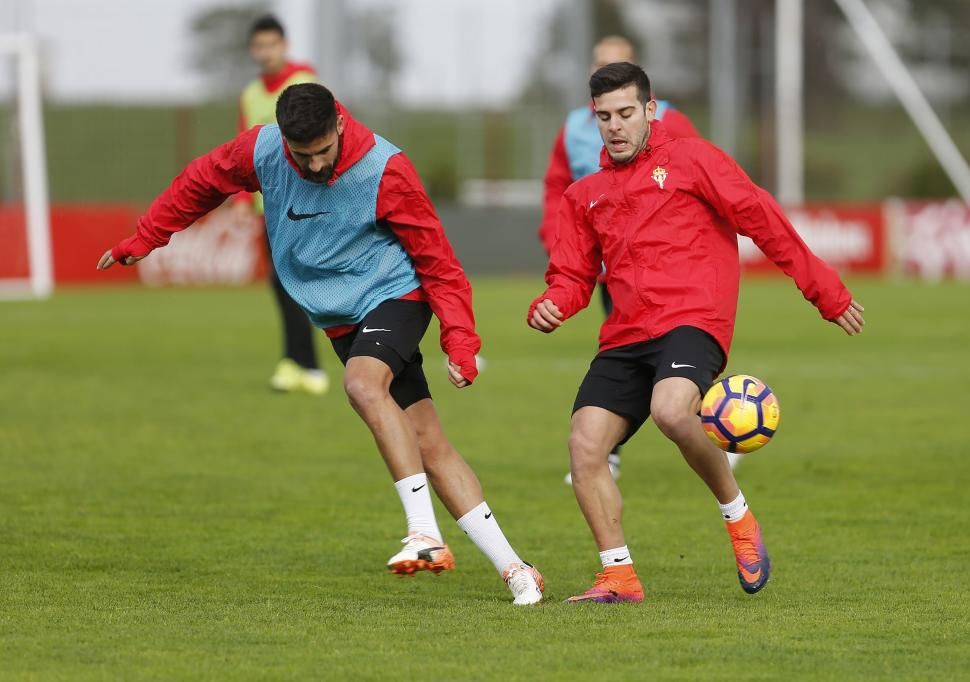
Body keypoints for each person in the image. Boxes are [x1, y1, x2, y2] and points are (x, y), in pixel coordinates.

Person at [98, 83, 545, 605]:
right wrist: (146, 236)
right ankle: (517, 570)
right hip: (339, 317)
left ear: (338, 124)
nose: (312, 167)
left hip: (392, 294)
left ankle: (423, 533)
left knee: (361, 383)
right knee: (428, 442)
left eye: (322, 153)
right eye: (301, 156)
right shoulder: (262, 149)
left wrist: (460, 340)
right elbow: (201, 180)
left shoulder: (385, 169)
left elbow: (438, 262)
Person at [527, 62, 865, 603]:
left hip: (693, 320)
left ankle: (739, 519)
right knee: (584, 445)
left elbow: (762, 218)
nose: (614, 127)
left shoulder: (692, 160)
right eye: (604, 117)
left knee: (671, 409)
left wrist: (825, 290)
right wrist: (552, 305)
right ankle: (619, 576)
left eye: (625, 114)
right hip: (624, 335)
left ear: (650, 110)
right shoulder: (584, 195)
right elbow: (572, 276)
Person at [539, 36, 701, 484]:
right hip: (607, 260)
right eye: (599, 63)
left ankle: (708, 419)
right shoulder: (573, 126)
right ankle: (608, 448)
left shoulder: (671, 119)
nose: (614, 125)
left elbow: (700, 177)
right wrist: (559, 244)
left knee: (667, 348)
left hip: (669, 271)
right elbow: (557, 187)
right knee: (627, 344)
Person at [234, 14, 328, 395]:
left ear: (284, 46)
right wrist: (242, 195)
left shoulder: (303, 81)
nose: (265, 52)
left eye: (271, 44)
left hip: (305, 201)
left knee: (292, 282)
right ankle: (301, 364)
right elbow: (244, 147)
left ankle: (304, 364)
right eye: (259, 46)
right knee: (284, 284)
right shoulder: (250, 95)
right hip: (268, 207)